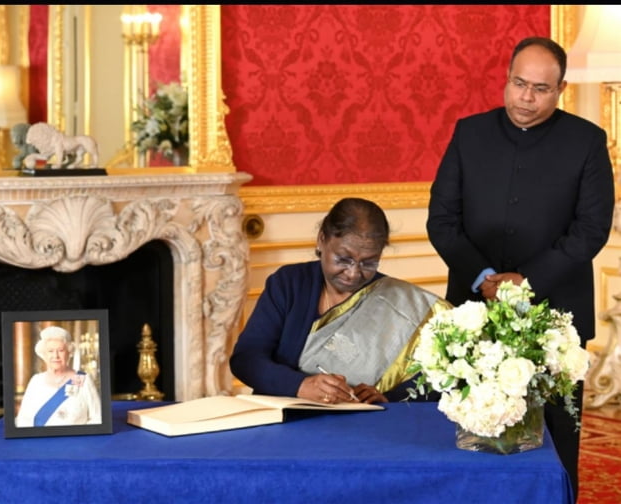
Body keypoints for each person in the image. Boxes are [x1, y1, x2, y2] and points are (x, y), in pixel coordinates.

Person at [426, 36, 615, 501]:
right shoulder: (469, 132)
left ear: (561, 89)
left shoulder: (587, 142)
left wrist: (525, 282)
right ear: (506, 79)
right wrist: (483, 279)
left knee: (555, 438)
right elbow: (442, 220)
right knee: (474, 430)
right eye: (518, 84)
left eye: (540, 89)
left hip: (556, 314)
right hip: (475, 308)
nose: (526, 99)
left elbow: (590, 230)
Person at [230, 197, 450, 404]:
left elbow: (436, 383)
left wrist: (387, 396)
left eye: (369, 263)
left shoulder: (401, 303)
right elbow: (246, 360)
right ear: (321, 240)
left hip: (360, 426)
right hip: (281, 417)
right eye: (343, 259)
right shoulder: (290, 283)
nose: (353, 273)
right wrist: (300, 385)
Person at [15, 325, 102, 427]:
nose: (55, 356)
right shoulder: (36, 381)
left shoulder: (83, 379)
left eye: (60, 350)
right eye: (50, 351)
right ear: (44, 355)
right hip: (41, 441)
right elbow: (23, 420)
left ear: (69, 352)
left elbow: (97, 418)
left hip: (75, 440)